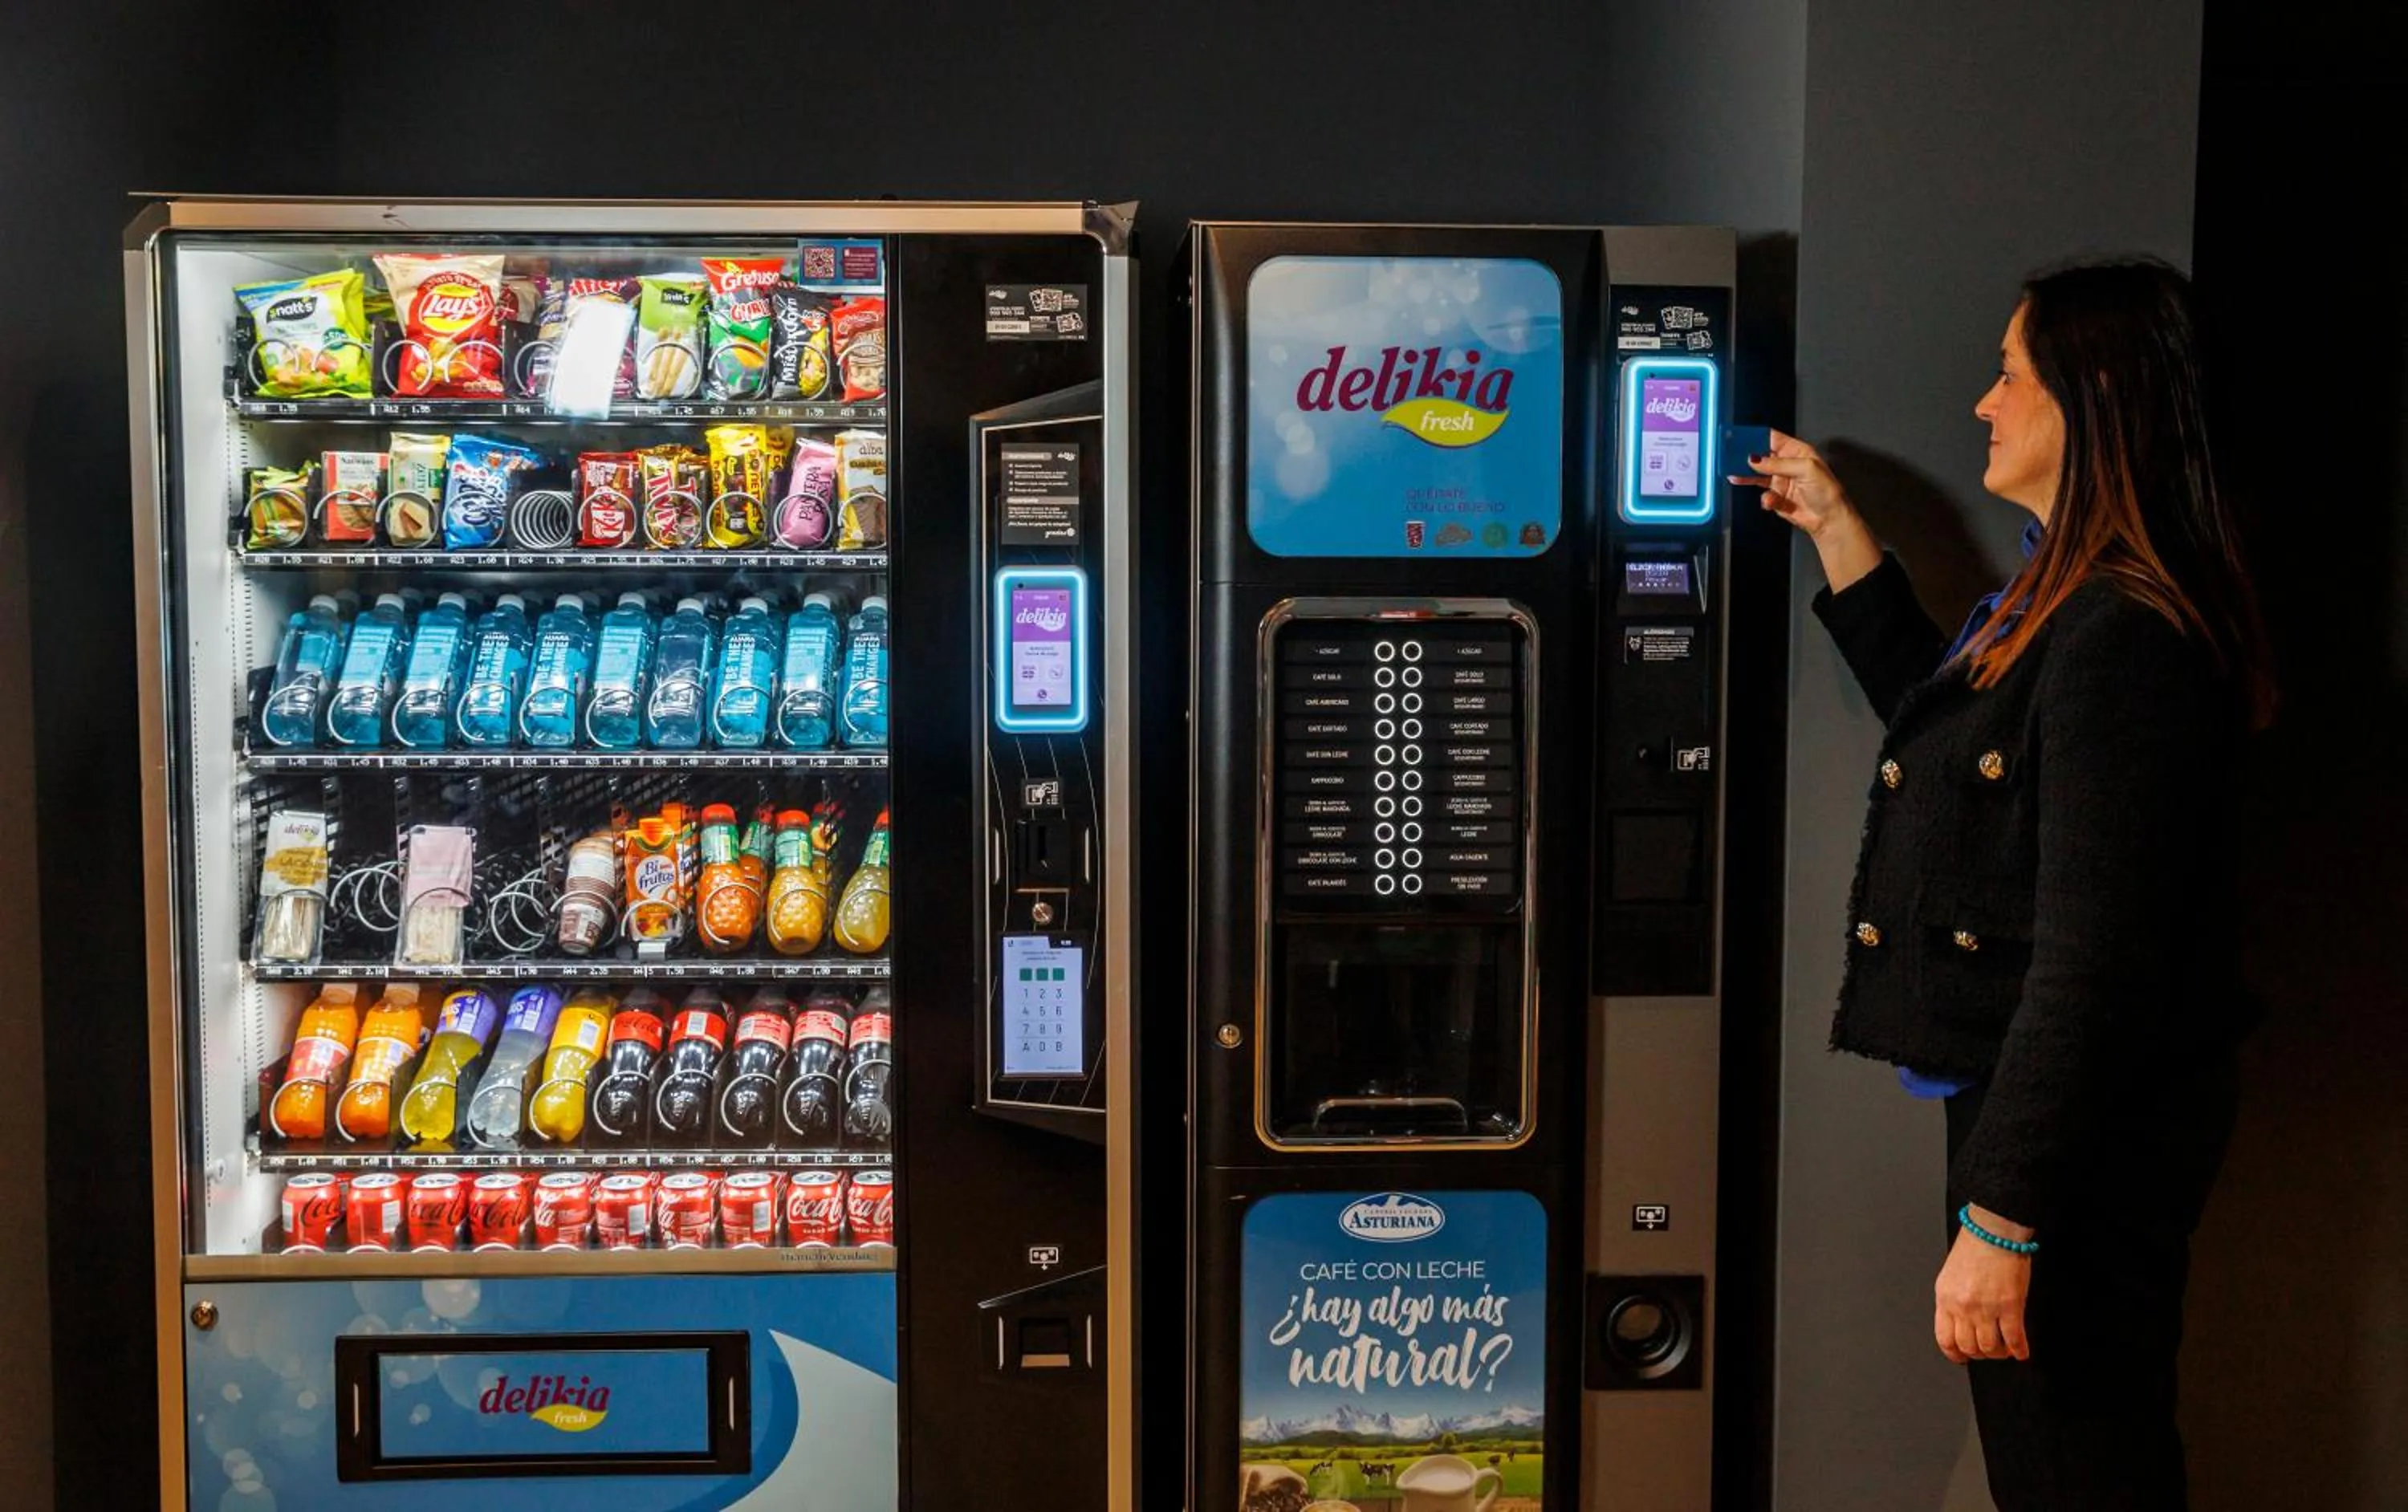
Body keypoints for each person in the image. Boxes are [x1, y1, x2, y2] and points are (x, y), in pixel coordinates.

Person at [1739, 260, 2272, 1510]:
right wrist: (1833, 527)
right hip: (2036, 1118)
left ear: (2089, 403)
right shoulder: (2063, 601)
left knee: (2079, 1470)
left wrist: (2004, 1219)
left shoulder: (2124, 636)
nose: (1983, 404)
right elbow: (1955, 738)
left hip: (2079, 1140)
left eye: (2008, 376)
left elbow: (2097, 961)